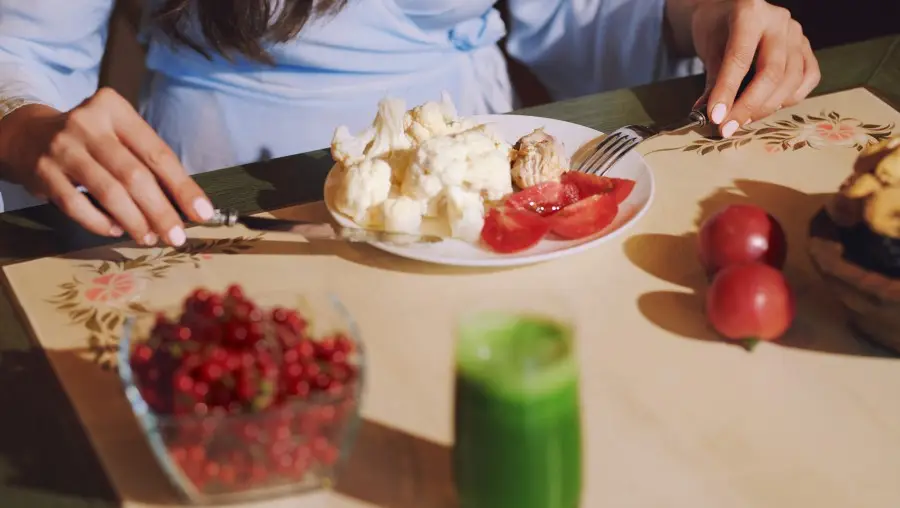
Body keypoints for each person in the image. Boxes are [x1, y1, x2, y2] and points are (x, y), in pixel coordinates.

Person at [0, 0, 819, 247]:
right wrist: (22, 123)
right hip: (213, 207)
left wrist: (702, 16)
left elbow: (581, 12)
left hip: (488, 199)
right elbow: (20, 47)